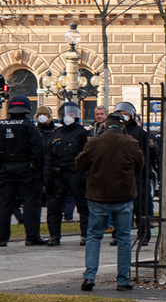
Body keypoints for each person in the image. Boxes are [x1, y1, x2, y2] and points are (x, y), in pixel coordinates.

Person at [73, 102, 145, 291]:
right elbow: (140, 165)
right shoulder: (130, 143)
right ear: (123, 126)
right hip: (123, 196)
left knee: (93, 236)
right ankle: (123, 280)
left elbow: (80, 164)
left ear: (105, 125)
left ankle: (89, 276)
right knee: (123, 238)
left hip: (98, 196)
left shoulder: (95, 142)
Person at [42, 101, 89, 244]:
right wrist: (47, 175)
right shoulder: (56, 133)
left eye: (72, 114)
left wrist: (84, 175)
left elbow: (87, 155)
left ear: (76, 116)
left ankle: (85, 235)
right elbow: (49, 156)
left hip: (76, 174)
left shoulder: (82, 133)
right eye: (66, 114)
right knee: (54, 206)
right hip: (58, 175)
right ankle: (54, 236)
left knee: (83, 205)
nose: (69, 116)